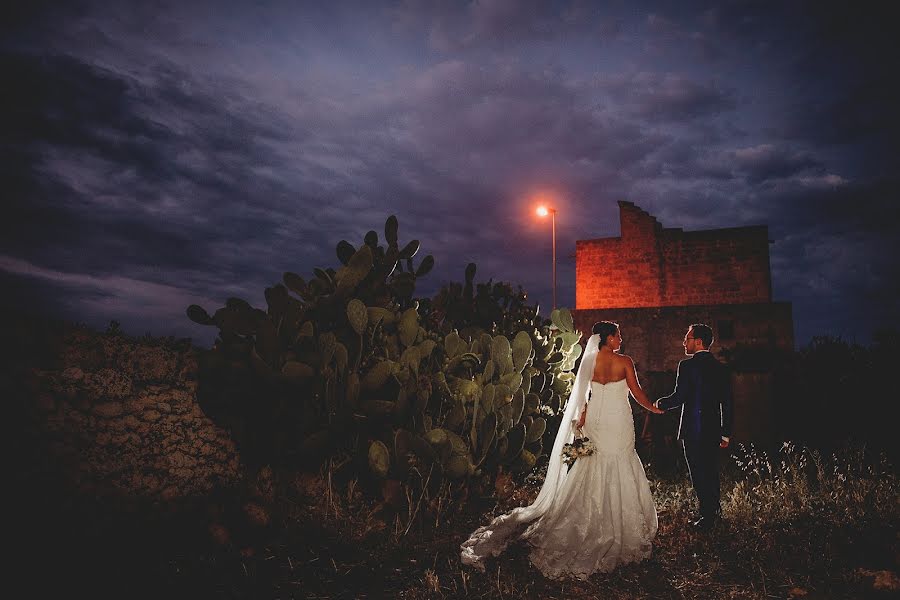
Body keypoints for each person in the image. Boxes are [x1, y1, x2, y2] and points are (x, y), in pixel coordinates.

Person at [460, 321, 664, 580]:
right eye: (617, 335)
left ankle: (587, 520)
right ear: (608, 338)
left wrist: (582, 418)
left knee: (591, 464)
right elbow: (636, 393)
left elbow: (585, 397)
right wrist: (654, 408)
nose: (620, 339)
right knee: (620, 462)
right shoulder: (624, 361)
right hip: (618, 423)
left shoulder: (589, 362)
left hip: (596, 425)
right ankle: (618, 527)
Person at [655, 324, 734, 530]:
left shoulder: (686, 366)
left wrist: (660, 403)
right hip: (713, 430)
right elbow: (727, 402)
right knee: (711, 472)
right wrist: (726, 433)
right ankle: (714, 514)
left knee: (698, 474)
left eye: (687, 338)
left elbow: (680, 397)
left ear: (698, 341)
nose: (684, 343)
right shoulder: (721, 367)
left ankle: (707, 518)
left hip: (692, 429)